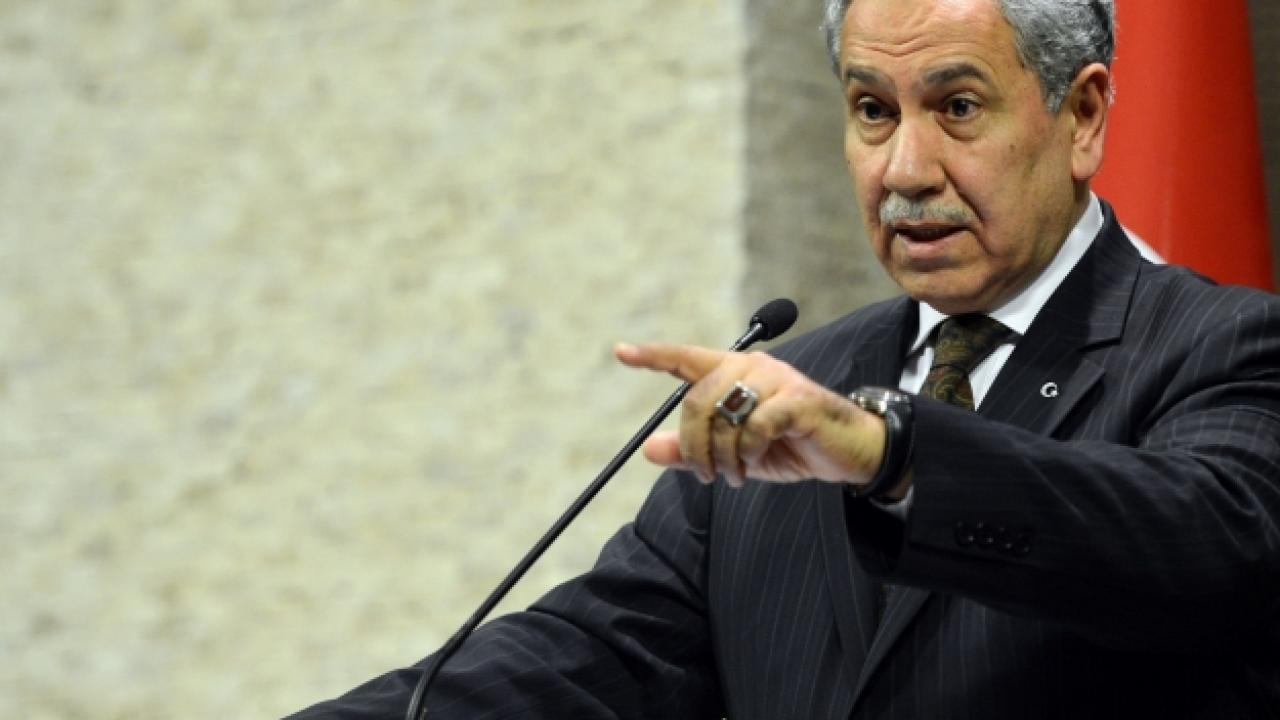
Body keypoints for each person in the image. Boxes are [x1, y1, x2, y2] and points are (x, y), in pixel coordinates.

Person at [291, 0, 1280, 717]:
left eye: (957, 107)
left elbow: (1190, 547)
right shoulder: (798, 386)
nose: (903, 169)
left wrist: (890, 456)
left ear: (1083, 116)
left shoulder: (1223, 348)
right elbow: (598, 655)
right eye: (872, 110)